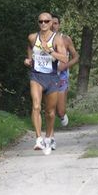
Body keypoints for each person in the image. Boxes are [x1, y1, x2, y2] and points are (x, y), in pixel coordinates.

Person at [24, 12, 68, 155]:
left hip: (52, 77)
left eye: (46, 21)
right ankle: (38, 139)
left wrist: (49, 50)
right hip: (36, 76)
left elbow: (65, 59)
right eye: (40, 21)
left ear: (51, 23)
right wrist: (29, 59)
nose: (43, 24)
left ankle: (48, 137)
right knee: (36, 105)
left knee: (50, 112)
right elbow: (30, 48)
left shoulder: (57, 40)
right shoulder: (32, 37)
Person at [48, 14, 79, 150]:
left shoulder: (65, 39)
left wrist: (65, 65)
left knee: (60, 111)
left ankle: (62, 115)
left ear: (59, 25)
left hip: (61, 77)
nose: (53, 26)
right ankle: (51, 139)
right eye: (50, 23)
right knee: (50, 109)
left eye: (55, 23)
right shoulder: (42, 40)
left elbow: (76, 57)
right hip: (47, 76)